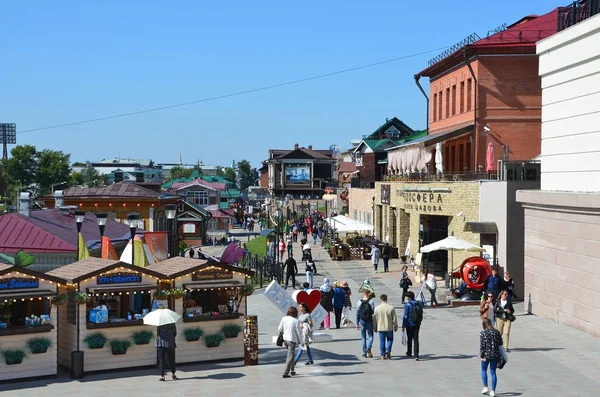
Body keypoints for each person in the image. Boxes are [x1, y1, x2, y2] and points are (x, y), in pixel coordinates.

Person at [480, 317, 503, 396]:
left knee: (483, 370)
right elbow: (501, 343)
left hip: (486, 354)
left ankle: (485, 387)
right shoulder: (496, 332)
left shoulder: (483, 333)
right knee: (493, 372)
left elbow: (482, 345)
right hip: (495, 354)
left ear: (483, 325)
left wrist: (482, 355)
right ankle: (493, 390)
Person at [278, 306, 303, 378]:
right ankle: (285, 373)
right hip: (292, 340)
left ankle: (292, 370)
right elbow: (298, 333)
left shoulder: (284, 318)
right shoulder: (296, 321)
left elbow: (279, 329)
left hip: (285, 339)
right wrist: (301, 342)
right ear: (295, 313)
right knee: (290, 356)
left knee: (291, 355)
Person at [373, 294, 398, 359]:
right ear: (387, 299)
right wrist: (395, 326)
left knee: (382, 341)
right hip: (389, 327)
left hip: (380, 327)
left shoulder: (377, 308)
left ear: (380, 299)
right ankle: (388, 350)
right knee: (390, 339)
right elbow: (394, 318)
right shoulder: (391, 307)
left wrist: (375, 327)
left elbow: (375, 319)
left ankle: (382, 355)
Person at [402, 291, 422, 361]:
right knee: (416, 338)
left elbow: (405, 315)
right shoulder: (418, 303)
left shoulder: (407, 305)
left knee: (409, 338)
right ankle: (416, 355)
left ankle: (409, 352)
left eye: (406, 297)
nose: (406, 298)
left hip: (409, 323)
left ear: (409, 297)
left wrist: (403, 325)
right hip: (417, 323)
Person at [355, 288, 375, 358]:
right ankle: (368, 348)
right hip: (369, 320)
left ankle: (364, 353)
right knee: (371, 336)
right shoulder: (371, 302)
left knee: (363, 337)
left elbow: (357, 313)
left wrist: (357, 323)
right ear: (368, 294)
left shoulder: (359, 302)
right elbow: (373, 312)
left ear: (363, 293)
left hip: (362, 320)